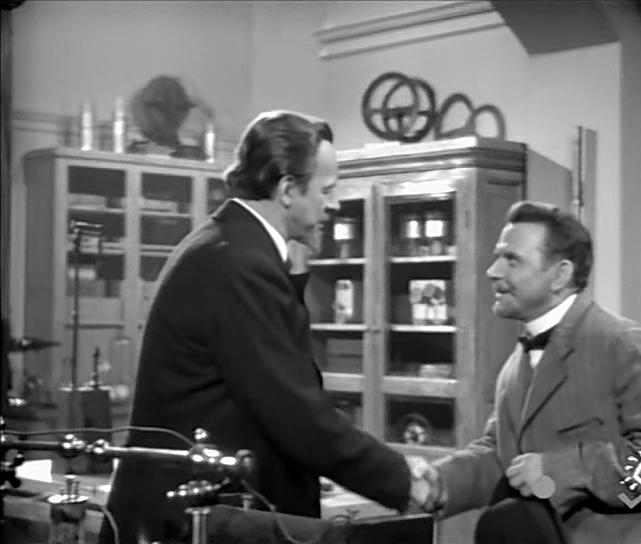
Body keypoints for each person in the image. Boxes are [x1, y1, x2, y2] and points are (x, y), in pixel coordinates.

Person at [100, 111, 421, 544]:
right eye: (326, 191)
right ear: (287, 189)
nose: (334, 205)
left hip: (206, 515)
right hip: (190, 525)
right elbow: (295, 413)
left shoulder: (230, 246)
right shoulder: (239, 264)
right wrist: (404, 480)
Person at [414, 201, 641, 543]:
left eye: (512, 260)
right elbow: (503, 457)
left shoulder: (623, 345)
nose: (493, 271)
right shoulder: (517, 362)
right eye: (497, 257)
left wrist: (562, 470)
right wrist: (438, 483)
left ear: (561, 275)